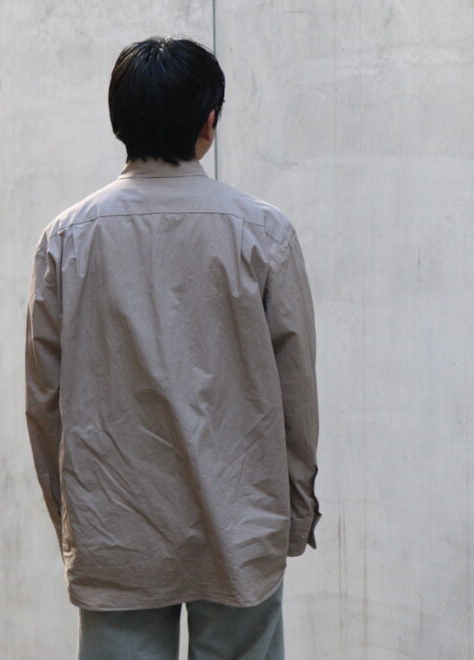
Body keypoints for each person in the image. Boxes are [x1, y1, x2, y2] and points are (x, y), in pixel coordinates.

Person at [24, 34, 321, 660]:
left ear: (119, 122)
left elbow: (44, 401)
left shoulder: (66, 240)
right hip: (241, 520)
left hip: (115, 524)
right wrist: (295, 514)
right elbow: (296, 394)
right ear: (209, 123)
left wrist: (71, 519)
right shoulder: (262, 234)